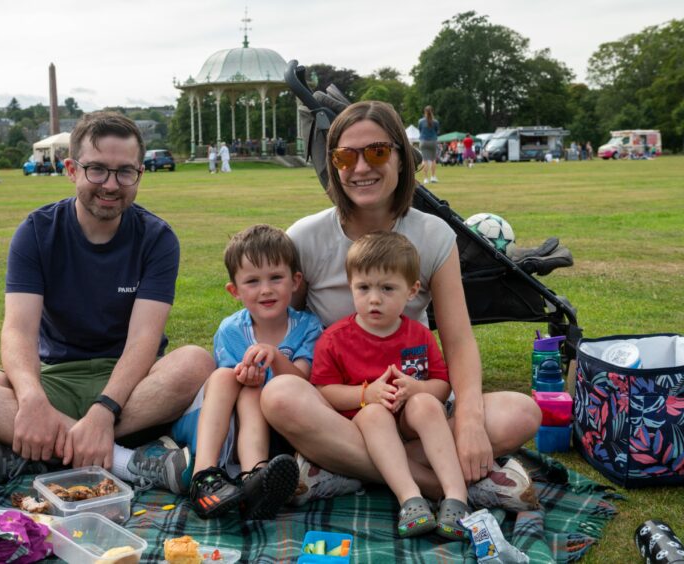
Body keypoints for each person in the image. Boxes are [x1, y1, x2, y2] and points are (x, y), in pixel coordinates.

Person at [262, 100, 541, 511]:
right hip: (342, 409)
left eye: (376, 152)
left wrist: (468, 420)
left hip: (417, 406)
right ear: (333, 164)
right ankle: (442, 486)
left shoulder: (433, 235)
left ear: (402, 157)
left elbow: (459, 340)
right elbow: (288, 326)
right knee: (281, 395)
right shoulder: (305, 237)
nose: (360, 169)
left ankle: (338, 470)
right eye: (345, 156)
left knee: (521, 412)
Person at [0, 111, 215, 493]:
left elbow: (143, 340)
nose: (111, 184)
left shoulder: (157, 237)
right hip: (58, 379)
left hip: (132, 386)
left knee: (196, 361)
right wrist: (33, 398)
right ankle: (127, 461)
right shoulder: (37, 231)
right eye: (97, 169)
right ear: (71, 169)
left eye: (125, 172)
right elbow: (19, 330)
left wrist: (105, 410)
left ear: (140, 174)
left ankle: (36, 453)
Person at [312, 232, 467, 539]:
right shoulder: (335, 339)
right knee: (373, 413)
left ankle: (457, 497)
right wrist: (364, 394)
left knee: (425, 402)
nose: (374, 298)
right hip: (366, 434)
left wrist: (417, 389)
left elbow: (442, 385)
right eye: (364, 287)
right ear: (350, 287)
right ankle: (411, 499)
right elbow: (323, 391)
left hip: (413, 426)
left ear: (412, 291)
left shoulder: (419, 335)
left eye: (387, 288)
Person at [179, 224, 323, 520]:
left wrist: (274, 358)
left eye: (276, 278)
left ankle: (254, 482)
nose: (266, 289)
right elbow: (228, 391)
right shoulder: (232, 330)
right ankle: (204, 476)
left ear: (295, 281)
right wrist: (246, 376)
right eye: (253, 281)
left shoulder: (308, 327)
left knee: (257, 389)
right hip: (226, 431)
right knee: (228, 379)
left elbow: (304, 382)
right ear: (234, 290)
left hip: (281, 431)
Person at [417, 106, 439, 184]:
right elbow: (436, 131)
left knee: (425, 160)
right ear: (432, 111)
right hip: (432, 141)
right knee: (433, 159)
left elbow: (420, 130)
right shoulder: (435, 122)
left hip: (423, 141)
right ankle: (433, 177)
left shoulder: (420, 121)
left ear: (424, 112)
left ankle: (426, 179)